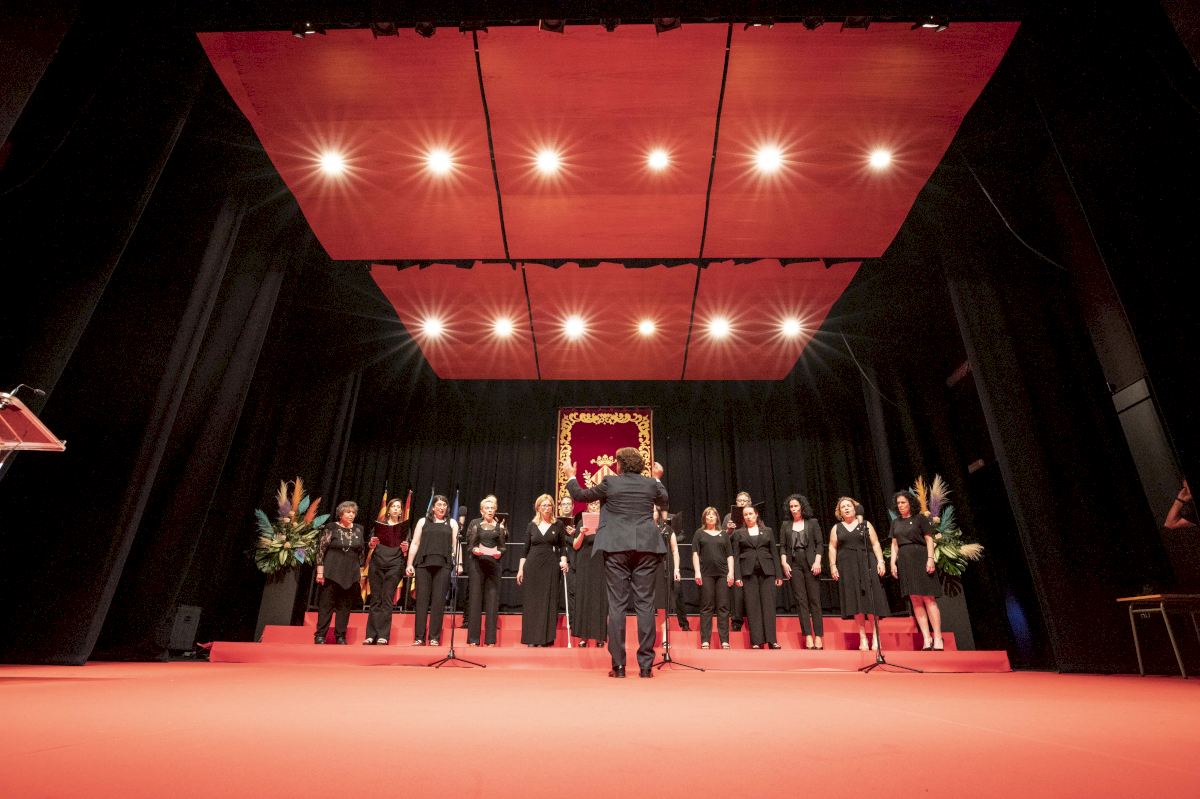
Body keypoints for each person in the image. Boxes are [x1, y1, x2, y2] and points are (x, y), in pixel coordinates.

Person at [564, 447, 669, 678]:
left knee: (617, 606)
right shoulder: (650, 484)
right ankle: (645, 667)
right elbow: (664, 500)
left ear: (620, 465)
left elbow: (581, 495)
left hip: (616, 548)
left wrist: (571, 476)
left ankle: (619, 666)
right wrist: (657, 478)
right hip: (646, 547)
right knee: (645, 605)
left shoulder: (610, 482)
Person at [828, 496, 888, 651]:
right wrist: (833, 566)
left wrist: (881, 561)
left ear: (855, 509)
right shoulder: (836, 528)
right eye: (843, 507)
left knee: (871, 599)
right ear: (840, 512)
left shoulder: (865, 524)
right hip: (847, 566)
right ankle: (863, 637)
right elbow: (832, 547)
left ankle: (876, 636)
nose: (846, 508)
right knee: (856, 602)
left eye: (849, 505)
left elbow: (875, 543)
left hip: (867, 563)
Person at [889, 491, 945, 650]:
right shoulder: (895, 522)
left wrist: (930, 558)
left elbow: (929, 540)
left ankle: (938, 637)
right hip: (905, 561)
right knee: (915, 599)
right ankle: (927, 638)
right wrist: (892, 563)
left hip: (921, 557)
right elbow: (894, 544)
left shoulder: (920, 518)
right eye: (898, 503)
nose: (900, 505)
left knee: (928, 598)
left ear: (910, 503)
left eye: (903, 502)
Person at [404, 495, 461, 646]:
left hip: (443, 565)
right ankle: (419, 637)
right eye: (439, 505)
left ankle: (434, 637)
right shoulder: (423, 521)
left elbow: (456, 545)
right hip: (423, 565)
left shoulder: (452, 523)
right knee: (421, 601)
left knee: (438, 602)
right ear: (433, 507)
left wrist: (459, 564)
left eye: (444, 505)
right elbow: (415, 543)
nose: (442, 507)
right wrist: (409, 564)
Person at [518, 494, 570, 646]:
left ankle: (545, 639)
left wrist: (563, 561)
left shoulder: (558, 524)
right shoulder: (531, 525)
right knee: (532, 601)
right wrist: (520, 570)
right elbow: (525, 550)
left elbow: (562, 547)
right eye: (544, 505)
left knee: (548, 600)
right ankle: (531, 638)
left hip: (551, 566)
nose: (547, 508)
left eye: (549, 505)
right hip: (532, 566)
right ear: (538, 508)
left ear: (553, 507)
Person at [314, 501, 366, 645]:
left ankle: (341, 636)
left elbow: (362, 552)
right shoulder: (331, 527)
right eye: (348, 512)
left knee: (344, 607)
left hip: (351, 573)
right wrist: (320, 572)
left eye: (353, 512)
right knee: (326, 605)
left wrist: (361, 573)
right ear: (340, 514)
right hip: (331, 571)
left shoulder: (359, 529)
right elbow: (321, 550)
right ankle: (320, 635)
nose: (351, 515)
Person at [731, 504, 783, 649]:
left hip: (767, 572)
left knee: (769, 606)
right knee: (752, 606)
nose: (748, 517)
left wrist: (779, 575)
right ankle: (756, 641)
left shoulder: (767, 531)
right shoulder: (738, 533)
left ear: (756, 515)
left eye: (750, 514)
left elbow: (774, 553)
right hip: (748, 573)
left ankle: (772, 640)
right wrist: (737, 576)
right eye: (745, 515)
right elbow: (735, 556)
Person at [780, 494, 825, 650]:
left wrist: (818, 561)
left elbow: (820, 544)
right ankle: (808, 636)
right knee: (801, 601)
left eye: (796, 506)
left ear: (802, 507)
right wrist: (784, 562)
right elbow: (783, 547)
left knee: (814, 600)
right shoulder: (786, 525)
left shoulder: (812, 523)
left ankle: (818, 636)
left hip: (811, 562)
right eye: (791, 507)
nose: (793, 509)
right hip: (794, 563)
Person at [363, 498, 410, 645]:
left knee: (387, 599)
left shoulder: (404, 528)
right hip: (377, 564)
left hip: (395, 565)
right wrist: (372, 543)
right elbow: (371, 544)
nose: (395, 509)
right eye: (393, 506)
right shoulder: (380, 525)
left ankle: (383, 635)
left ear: (401, 511)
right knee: (375, 599)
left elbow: (406, 549)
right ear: (388, 509)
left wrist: (405, 548)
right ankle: (371, 635)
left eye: (398, 507)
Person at [465, 495, 507, 646]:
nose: (490, 510)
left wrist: (500, 553)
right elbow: (470, 545)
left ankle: (490, 640)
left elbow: (503, 547)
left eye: (492, 508)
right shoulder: (476, 525)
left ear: (495, 510)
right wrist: (474, 550)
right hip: (477, 565)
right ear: (481, 511)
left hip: (494, 565)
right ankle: (473, 639)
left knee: (492, 601)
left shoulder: (499, 527)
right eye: (487, 508)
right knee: (475, 600)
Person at [691, 507, 734, 649]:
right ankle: (705, 640)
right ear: (704, 518)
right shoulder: (699, 533)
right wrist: (697, 572)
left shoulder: (724, 534)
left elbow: (730, 555)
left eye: (713, 515)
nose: (710, 517)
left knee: (723, 607)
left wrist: (731, 572)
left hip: (722, 574)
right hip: (706, 574)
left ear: (717, 518)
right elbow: (695, 553)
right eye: (708, 515)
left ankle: (724, 640)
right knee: (706, 606)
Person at [571, 500, 608, 647]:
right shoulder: (581, 522)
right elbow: (575, 546)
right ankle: (583, 637)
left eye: (597, 504)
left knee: (599, 597)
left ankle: (599, 637)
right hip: (585, 562)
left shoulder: (606, 522)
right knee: (584, 597)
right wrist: (581, 533)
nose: (594, 507)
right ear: (588, 506)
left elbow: (611, 543)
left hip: (600, 562)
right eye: (592, 504)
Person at [653, 506, 685, 641]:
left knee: (662, 604)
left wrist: (677, 569)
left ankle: (665, 637)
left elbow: (675, 550)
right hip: (648, 567)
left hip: (664, 567)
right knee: (647, 604)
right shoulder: (643, 529)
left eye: (653, 510)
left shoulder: (667, 529)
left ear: (658, 513)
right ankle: (648, 637)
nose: (651, 512)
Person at [723, 491, 754, 631]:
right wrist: (729, 531)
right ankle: (736, 621)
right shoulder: (729, 517)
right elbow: (722, 538)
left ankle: (754, 620)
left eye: (744, 500)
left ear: (749, 503)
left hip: (750, 556)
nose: (741, 503)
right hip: (734, 556)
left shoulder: (754, 515)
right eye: (739, 500)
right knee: (737, 591)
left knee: (752, 588)